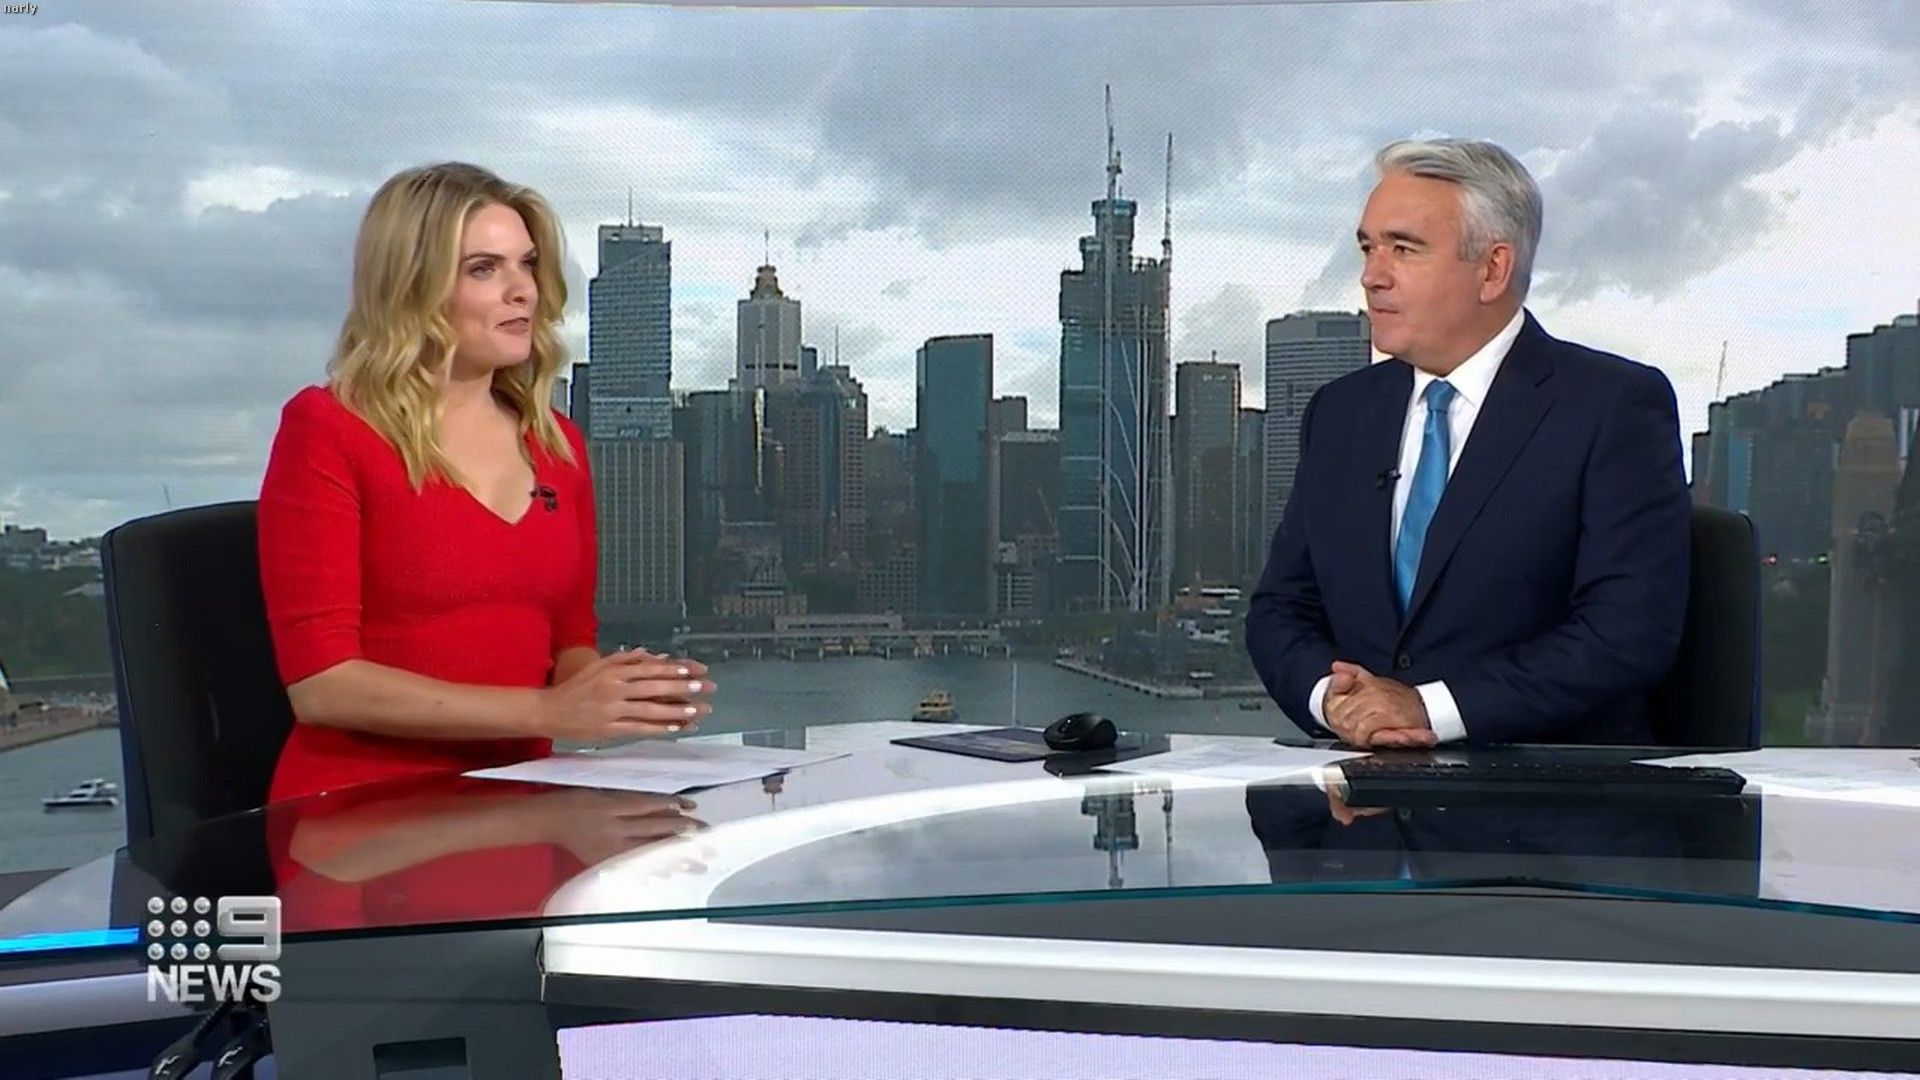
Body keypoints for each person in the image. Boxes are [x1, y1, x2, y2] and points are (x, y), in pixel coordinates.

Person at [257, 162, 713, 802]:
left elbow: (568, 644)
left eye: (528, 265)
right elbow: (323, 686)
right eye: (484, 269)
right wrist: (548, 712)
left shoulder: (558, 445)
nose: (522, 290)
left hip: (525, 796)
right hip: (361, 808)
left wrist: (616, 691)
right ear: (411, 285)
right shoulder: (328, 429)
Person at [1245, 138, 1690, 748]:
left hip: (1544, 791)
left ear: (1492, 270)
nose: (1372, 276)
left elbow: (1626, 633)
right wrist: (1334, 700)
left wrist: (1428, 709)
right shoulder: (1341, 413)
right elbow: (1281, 610)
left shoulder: (1612, 407)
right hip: (1361, 791)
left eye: (1404, 249)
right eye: (1369, 248)